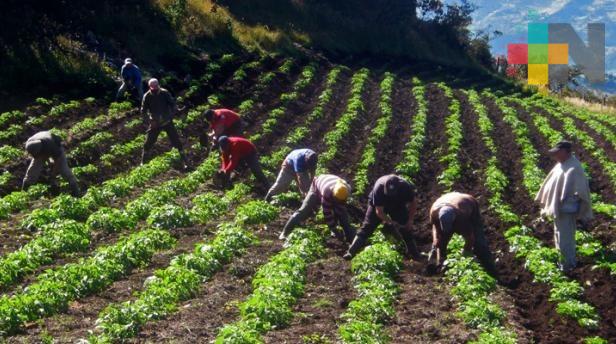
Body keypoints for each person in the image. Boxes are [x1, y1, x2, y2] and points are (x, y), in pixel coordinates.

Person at [535, 140, 592, 272]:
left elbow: (581, 190)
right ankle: (563, 261)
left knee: (565, 237)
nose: (554, 156)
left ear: (565, 152)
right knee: (559, 235)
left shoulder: (574, 167)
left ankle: (568, 265)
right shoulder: (562, 164)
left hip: (566, 209)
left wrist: (568, 200)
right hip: (560, 209)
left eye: (557, 153)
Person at [344, 174, 419, 260]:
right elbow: (379, 211)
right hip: (379, 205)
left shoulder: (405, 186)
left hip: (398, 205)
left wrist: (410, 220)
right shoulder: (379, 187)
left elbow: (413, 203)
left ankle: (414, 254)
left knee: (405, 226)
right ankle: (350, 252)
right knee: (368, 227)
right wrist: (390, 222)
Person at [426, 192, 496, 274]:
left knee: (479, 242)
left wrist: (465, 254)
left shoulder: (461, 216)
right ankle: (436, 263)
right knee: (439, 241)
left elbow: (470, 238)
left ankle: (491, 270)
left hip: (469, 203)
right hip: (447, 199)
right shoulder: (434, 212)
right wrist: (435, 239)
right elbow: (435, 227)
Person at [280, 174, 355, 243]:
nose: (338, 201)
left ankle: (351, 240)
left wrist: (340, 217)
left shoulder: (346, 190)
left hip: (328, 184)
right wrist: (334, 229)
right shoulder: (327, 191)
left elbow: (341, 207)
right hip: (316, 187)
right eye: (336, 200)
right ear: (334, 195)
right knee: (304, 210)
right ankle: (285, 232)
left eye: (340, 200)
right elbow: (327, 213)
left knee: (343, 216)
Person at [141, 78, 189, 169]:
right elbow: (143, 111)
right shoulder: (147, 96)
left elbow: (172, 103)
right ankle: (143, 161)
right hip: (155, 122)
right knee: (149, 142)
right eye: (152, 87)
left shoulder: (164, 93)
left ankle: (185, 161)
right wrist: (150, 121)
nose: (154, 89)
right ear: (150, 87)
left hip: (167, 120)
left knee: (176, 141)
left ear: (158, 85)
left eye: (156, 86)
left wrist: (176, 109)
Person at [22, 131, 81, 197]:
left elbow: (58, 160)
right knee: (33, 170)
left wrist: (53, 175)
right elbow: (38, 156)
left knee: (64, 170)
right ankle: (24, 191)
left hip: (55, 145)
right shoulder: (30, 144)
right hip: (43, 143)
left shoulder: (53, 146)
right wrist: (49, 162)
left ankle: (76, 191)